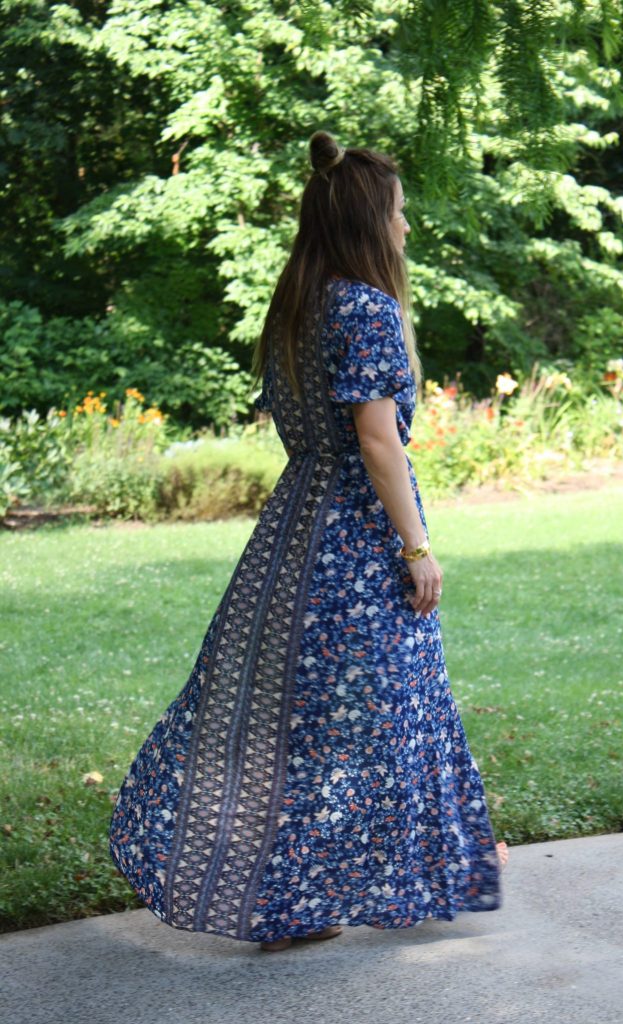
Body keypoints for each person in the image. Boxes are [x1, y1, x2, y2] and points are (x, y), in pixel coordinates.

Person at [108, 130, 508, 954]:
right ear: (368, 222)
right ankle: (392, 881)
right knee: (388, 710)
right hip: (355, 541)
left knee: (299, 716)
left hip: (294, 532)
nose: (404, 228)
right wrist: (415, 547)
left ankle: (303, 899)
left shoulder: (299, 305)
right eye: (397, 214)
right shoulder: (365, 308)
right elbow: (376, 440)